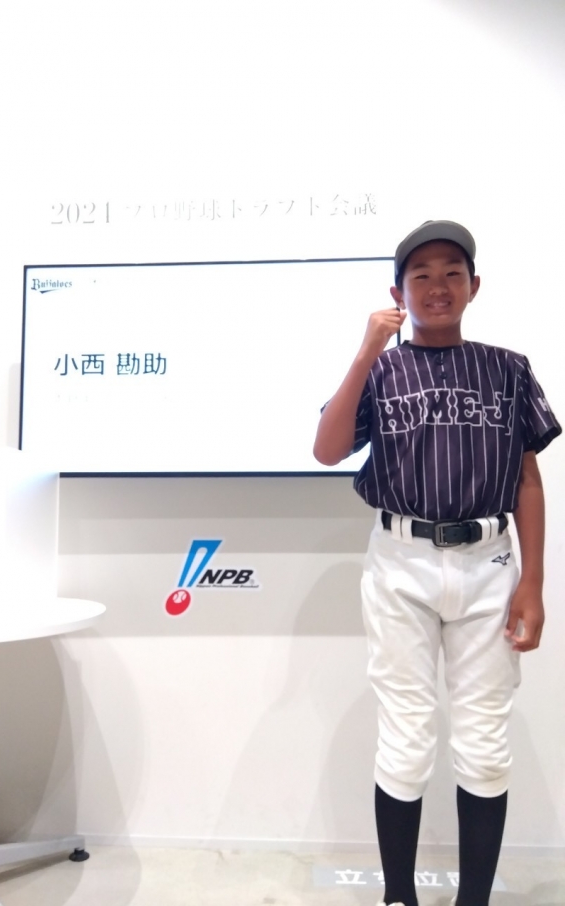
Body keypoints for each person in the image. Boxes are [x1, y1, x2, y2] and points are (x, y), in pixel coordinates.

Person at [313, 221, 561, 906]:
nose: (438, 285)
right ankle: (399, 896)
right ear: (398, 293)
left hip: (488, 561)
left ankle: (473, 899)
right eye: (420, 275)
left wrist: (534, 583)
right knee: (406, 737)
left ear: (474, 286)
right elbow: (327, 449)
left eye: (452, 271)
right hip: (401, 561)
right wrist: (367, 349)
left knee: (483, 741)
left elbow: (527, 478)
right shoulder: (382, 370)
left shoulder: (508, 369)